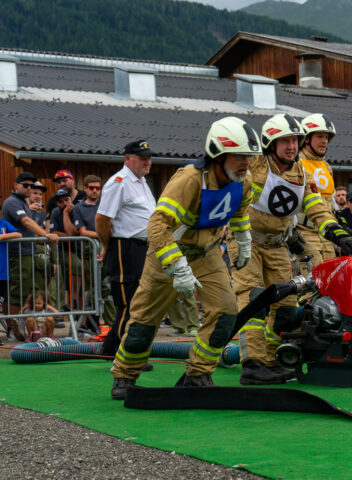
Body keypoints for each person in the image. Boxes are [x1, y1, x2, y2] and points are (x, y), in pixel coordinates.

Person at [110, 117, 259, 399]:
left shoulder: (244, 179)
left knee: (227, 312)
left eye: (249, 156)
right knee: (144, 320)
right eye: (240, 155)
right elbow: (157, 225)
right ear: (218, 153)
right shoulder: (189, 179)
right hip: (168, 252)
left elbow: (240, 213)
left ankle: (198, 373)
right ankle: (125, 375)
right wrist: (177, 266)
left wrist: (243, 241)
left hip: (207, 252)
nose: (246, 162)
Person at [230, 113, 352, 386]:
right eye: (284, 141)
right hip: (247, 242)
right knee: (253, 299)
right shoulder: (254, 164)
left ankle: (269, 361)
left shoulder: (302, 173)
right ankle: (251, 364)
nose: (291, 146)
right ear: (269, 143)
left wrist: (338, 234)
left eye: (294, 140)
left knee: (287, 309)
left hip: (277, 245)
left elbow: (318, 210)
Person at [96, 141, 157, 358]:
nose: (147, 162)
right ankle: (125, 353)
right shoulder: (119, 182)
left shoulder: (141, 182)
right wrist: (107, 245)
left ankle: (111, 349)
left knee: (137, 303)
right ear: (128, 158)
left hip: (142, 248)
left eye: (149, 158)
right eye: (142, 158)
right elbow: (102, 218)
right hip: (124, 247)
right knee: (129, 303)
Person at [2, 172, 59, 341]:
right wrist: (46, 235)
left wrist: (40, 240)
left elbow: (25, 230)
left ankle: (31, 329)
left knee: (30, 293)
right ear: (15, 185)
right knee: (17, 294)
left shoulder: (23, 202)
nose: (28, 188)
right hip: (18, 255)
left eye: (31, 186)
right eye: (25, 185)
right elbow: (26, 222)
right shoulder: (12, 202)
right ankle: (13, 329)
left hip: (29, 253)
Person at [296, 113, 339, 273]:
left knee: (331, 277)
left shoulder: (327, 167)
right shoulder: (296, 164)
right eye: (320, 136)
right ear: (306, 139)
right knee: (314, 279)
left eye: (327, 137)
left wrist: (339, 222)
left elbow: (330, 200)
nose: (324, 141)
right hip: (304, 231)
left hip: (325, 233)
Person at [73, 175, 117, 328]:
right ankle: (100, 323)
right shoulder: (79, 208)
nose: (94, 191)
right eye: (91, 188)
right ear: (84, 188)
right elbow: (83, 232)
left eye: (97, 188)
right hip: (91, 251)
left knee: (108, 285)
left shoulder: (106, 204)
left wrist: (105, 236)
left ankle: (106, 323)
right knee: (97, 286)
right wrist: (103, 235)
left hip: (110, 248)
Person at [0, 218, 22, 344]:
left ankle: (10, 329)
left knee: (3, 302)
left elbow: (18, 234)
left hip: (3, 273)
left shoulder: (3, 223)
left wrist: (2, 236)